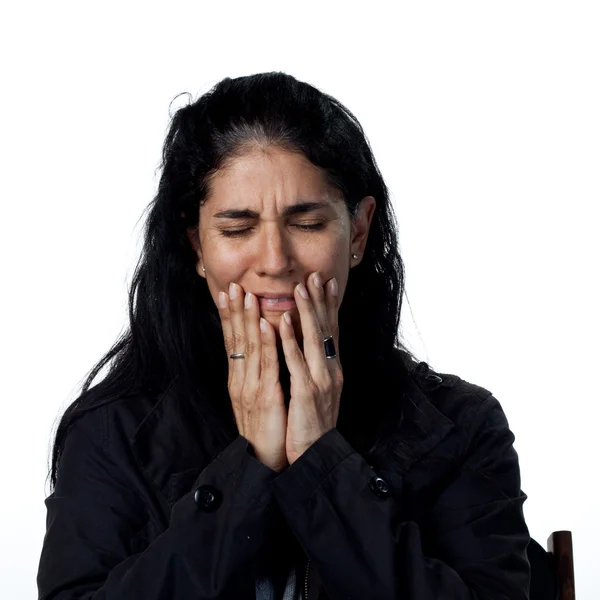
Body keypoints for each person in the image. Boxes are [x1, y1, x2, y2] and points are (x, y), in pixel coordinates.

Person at [37, 72, 532, 600]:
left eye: (309, 224)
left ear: (358, 232)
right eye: (236, 229)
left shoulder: (461, 426)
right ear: (197, 246)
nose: (274, 262)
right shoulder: (112, 432)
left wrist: (323, 462)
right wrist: (246, 469)